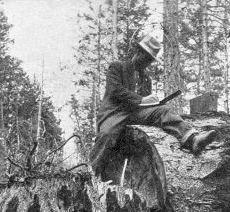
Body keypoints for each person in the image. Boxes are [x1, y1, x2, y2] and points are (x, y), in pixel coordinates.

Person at [90, 33, 217, 171]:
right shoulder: (117, 67)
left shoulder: (146, 79)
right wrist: (141, 100)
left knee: (164, 110)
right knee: (107, 135)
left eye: (151, 60)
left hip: (134, 115)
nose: (148, 63)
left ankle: (192, 139)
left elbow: (145, 105)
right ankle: (90, 172)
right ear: (138, 52)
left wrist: (154, 104)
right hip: (114, 114)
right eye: (147, 58)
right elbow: (115, 91)